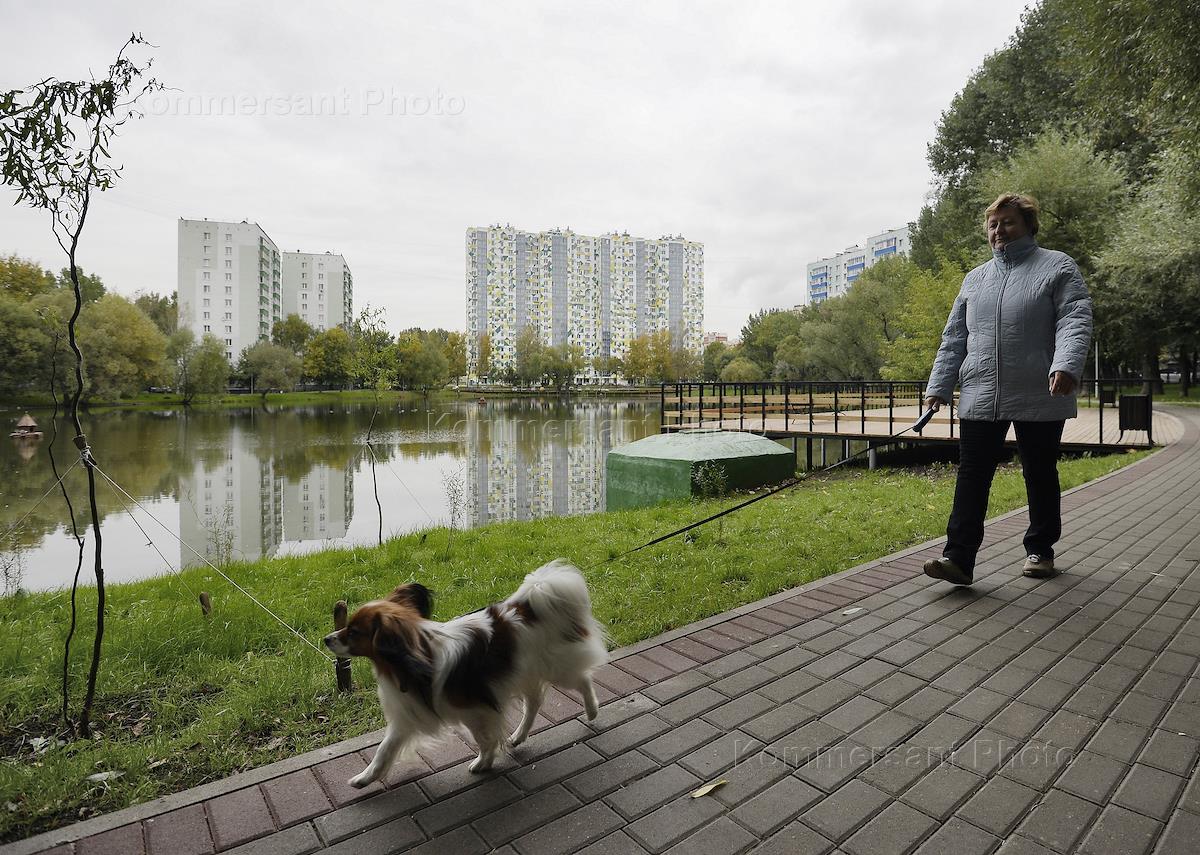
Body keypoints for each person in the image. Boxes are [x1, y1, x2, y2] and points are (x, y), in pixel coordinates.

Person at [922, 193, 1092, 586]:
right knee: (972, 475)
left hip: (1040, 390)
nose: (999, 231)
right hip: (981, 392)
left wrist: (1065, 364)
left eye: (1008, 222)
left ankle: (1040, 550)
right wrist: (939, 386)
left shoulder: (1057, 266)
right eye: (993, 224)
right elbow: (955, 337)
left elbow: (1075, 318)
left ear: (1029, 225)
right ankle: (958, 559)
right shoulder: (975, 278)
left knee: (1039, 472)